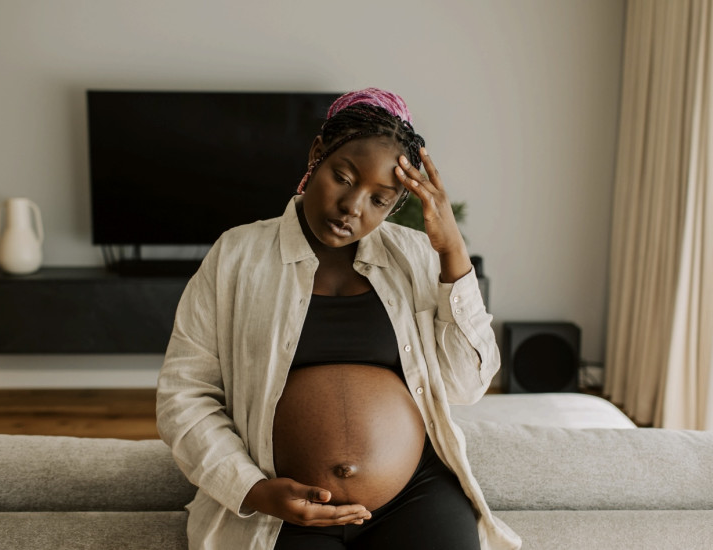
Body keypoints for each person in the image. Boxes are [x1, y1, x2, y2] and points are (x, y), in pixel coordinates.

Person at [156, 88, 522, 550]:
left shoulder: (417, 257)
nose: (353, 206)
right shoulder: (237, 255)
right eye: (344, 177)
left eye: (380, 200)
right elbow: (184, 396)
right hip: (280, 506)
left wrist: (452, 253)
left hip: (415, 495)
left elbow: (466, 386)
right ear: (316, 155)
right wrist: (254, 490)